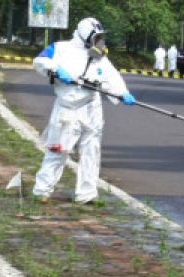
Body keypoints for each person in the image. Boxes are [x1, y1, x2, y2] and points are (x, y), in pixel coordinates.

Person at [32, 17, 135, 205]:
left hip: (92, 108)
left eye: (101, 38)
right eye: (97, 37)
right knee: (58, 151)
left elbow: (112, 77)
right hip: (67, 109)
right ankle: (42, 190)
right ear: (84, 36)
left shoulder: (100, 58)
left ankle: (86, 195)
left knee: (91, 152)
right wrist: (56, 69)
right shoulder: (60, 49)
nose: (100, 42)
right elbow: (39, 61)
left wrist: (123, 93)